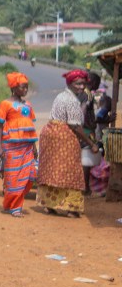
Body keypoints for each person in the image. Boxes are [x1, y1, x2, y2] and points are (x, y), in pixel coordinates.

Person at [36, 70, 100, 217]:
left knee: (52, 170)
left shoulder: (61, 95)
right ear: (70, 83)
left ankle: (49, 205)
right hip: (63, 136)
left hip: (49, 133)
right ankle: (72, 208)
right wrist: (91, 144)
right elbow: (75, 126)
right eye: (78, 83)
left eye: (83, 83)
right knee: (72, 171)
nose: (81, 87)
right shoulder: (72, 101)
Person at [0, 72, 38, 217]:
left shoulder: (28, 105)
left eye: (27, 87)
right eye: (22, 87)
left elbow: (30, 128)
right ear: (14, 88)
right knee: (13, 178)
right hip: (11, 146)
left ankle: (12, 202)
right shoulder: (5, 104)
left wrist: (34, 147)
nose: (25, 90)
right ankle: (15, 207)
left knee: (30, 176)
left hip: (27, 147)